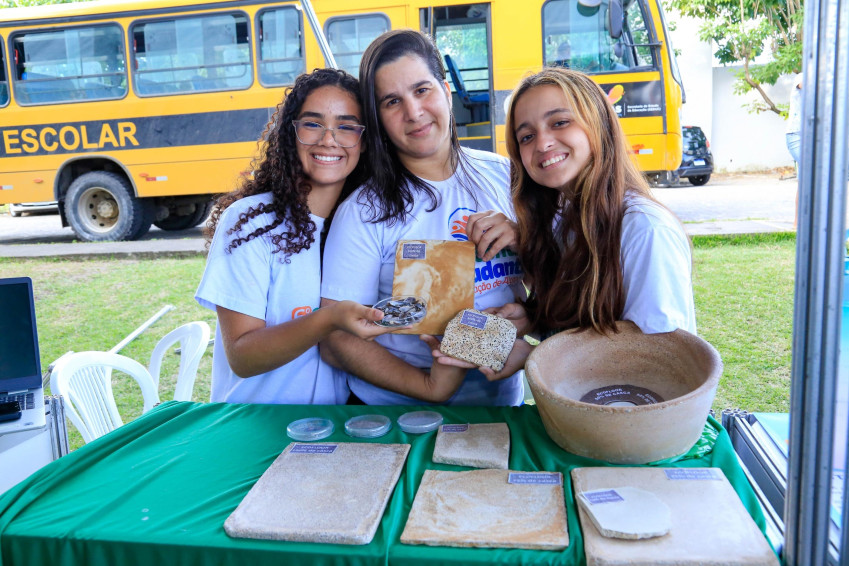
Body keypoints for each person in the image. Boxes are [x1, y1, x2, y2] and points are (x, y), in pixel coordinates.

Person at [431, 67, 695, 378]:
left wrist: (534, 357)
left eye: (560, 122)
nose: (542, 144)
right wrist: (532, 317)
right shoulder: (561, 221)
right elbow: (583, 325)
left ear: (597, 123)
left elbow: (660, 367)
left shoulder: (645, 230)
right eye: (527, 136)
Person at [319, 29, 524, 406]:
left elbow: (563, 291)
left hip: (500, 412)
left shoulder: (509, 177)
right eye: (392, 101)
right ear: (378, 117)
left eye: (422, 90)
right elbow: (335, 340)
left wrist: (525, 239)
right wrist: (427, 387)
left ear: (446, 92)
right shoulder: (365, 210)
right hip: (397, 419)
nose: (413, 112)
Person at [195, 68, 393, 405]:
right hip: (255, 426)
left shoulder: (365, 227)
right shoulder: (250, 222)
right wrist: (328, 320)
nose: (329, 139)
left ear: (365, 141)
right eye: (313, 123)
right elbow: (242, 357)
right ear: (291, 133)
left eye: (346, 126)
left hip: (331, 434)